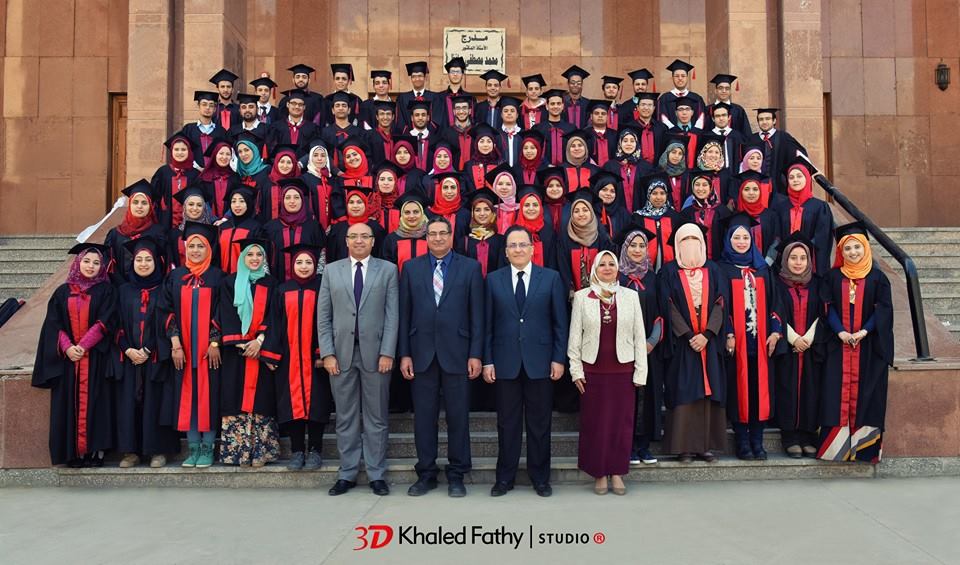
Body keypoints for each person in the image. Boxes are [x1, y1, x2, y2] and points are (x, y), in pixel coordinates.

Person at [399, 217, 484, 497]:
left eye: (442, 233)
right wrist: (405, 354)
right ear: (426, 238)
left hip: (458, 353)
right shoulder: (411, 268)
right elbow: (404, 314)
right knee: (424, 419)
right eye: (432, 234)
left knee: (458, 417)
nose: (437, 238)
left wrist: (475, 354)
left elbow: (477, 315)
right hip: (421, 354)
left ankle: (457, 473)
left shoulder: (470, 267)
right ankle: (426, 473)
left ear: (451, 236)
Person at [483, 226, 569, 497]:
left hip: (540, 362)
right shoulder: (493, 280)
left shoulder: (551, 278)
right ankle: (504, 478)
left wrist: (558, 358)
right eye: (513, 245)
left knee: (540, 424)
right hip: (505, 362)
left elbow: (560, 324)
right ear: (506, 252)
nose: (518, 249)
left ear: (532, 249)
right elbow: (487, 325)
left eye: (523, 244)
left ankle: (540, 478)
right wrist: (487, 360)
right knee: (507, 424)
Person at [318, 222, 399, 496]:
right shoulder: (331, 271)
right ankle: (347, 473)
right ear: (346, 241)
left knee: (377, 417)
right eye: (354, 236)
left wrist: (387, 352)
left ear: (373, 241)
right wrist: (327, 353)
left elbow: (392, 316)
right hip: (340, 356)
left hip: (376, 356)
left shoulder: (387, 270)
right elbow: (323, 317)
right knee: (345, 417)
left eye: (365, 236)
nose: (359, 241)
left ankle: (376, 474)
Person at [568, 250, 648, 495]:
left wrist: (640, 372)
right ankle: (599, 473)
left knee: (620, 425)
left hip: (623, 370)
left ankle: (617, 473)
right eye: (602, 264)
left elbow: (639, 336)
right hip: (592, 371)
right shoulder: (583, 297)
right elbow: (575, 337)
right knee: (596, 425)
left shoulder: (630, 296)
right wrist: (576, 371)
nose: (607, 268)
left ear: (618, 268)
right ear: (595, 269)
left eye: (611, 264)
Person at [32, 242, 116, 467]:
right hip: (68, 361)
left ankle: (94, 452)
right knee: (68, 406)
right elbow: (53, 325)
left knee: (97, 404)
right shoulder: (62, 292)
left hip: (95, 358)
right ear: (78, 263)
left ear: (102, 267)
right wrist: (69, 347)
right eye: (86, 261)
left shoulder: (107, 291)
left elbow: (106, 321)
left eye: (96, 263)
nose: (91, 266)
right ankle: (72, 453)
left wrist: (84, 346)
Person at [818, 222, 893, 463]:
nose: (853, 252)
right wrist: (840, 331)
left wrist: (863, 332)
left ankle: (864, 450)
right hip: (837, 346)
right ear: (841, 251)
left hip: (868, 347)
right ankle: (835, 449)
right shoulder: (832, 277)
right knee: (834, 395)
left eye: (857, 247)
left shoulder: (878, 279)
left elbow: (883, 311)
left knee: (867, 397)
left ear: (866, 248)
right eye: (847, 248)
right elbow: (827, 307)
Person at [717, 214, 784, 460]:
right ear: (728, 240)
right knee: (739, 393)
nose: (741, 242)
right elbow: (720, 304)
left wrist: (775, 332)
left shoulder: (762, 269)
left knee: (759, 392)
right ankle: (742, 443)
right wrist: (729, 333)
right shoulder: (722, 269)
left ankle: (758, 441)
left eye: (745, 237)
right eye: (737, 238)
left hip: (762, 342)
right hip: (737, 344)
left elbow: (776, 303)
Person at [159, 222, 225, 469]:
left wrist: (215, 341)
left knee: (209, 397)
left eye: (201, 246)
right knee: (189, 397)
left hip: (209, 351)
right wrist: (175, 344)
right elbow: (165, 311)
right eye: (192, 246)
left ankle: (208, 447)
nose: (196, 250)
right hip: (184, 350)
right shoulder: (176, 277)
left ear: (209, 249)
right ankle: (193, 447)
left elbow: (222, 311)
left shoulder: (218, 277)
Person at [261, 244, 333, 471]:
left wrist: (323, 352)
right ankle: (297, 451)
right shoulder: (282, 290)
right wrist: (272, 354)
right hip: (289, 359)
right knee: (292, 407)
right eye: (299, 262)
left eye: (308, 262)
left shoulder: (322, 289)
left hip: (315, 361)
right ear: (292, 265)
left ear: (316, 265)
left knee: (317, 405)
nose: (304, 266)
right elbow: (274, 323)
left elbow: (328, 321)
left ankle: (315, 450)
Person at [660, 223, 727, 462]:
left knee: (707, 393)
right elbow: (668, 306)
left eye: (694, 239)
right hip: (683, 343)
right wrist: (689, 335)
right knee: (685, 391)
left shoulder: (714, 269)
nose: (690, 244)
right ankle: (684, 447)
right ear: (677, 245)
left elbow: (721, 302)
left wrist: (707, 334)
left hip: (709, 342)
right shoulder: (668, 271)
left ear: (702, 243)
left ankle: (704, 446)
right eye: (685, 240)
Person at [112, 236, 180, 468]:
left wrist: (148, 348)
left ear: (156, 262)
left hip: (156, 357)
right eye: (139, 259)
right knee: (129, 404)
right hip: (129, 358)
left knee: (156, 403)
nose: (143, 264)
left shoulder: (164, 289)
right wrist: (128, 349)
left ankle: (157, 451)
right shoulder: (123, 291)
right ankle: (130, 452)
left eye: (148, 260)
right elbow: (115, 323)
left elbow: (168, 322)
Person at [218, 239, 279, 467]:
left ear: (264, 259)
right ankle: (239, 453)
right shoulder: (229, 282)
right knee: (235, 398)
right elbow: (226, 313)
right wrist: (244, 343)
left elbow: (274, 315)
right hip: (237, 353)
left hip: (261, 351)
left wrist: (260, 340)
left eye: (259, 255)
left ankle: (261, 452)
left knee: (261, 399)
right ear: (242, 257)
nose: (254, 258)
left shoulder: (271, 283)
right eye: (250, 254)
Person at [615, 225, 665, 465]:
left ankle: (644, 446)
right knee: (625, 397)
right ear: (625, 248)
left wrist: (651, 342)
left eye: (642, 245)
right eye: (632, 245)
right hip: (621, 348)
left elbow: (661, 314)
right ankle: (627, 446)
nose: (637, 249)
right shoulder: (616, 277)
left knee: (647, 396)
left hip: (647, 349)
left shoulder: (654, 278)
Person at [773, 234, 826, 458]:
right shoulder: (776, 283)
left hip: (811, 348)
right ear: (785, 259)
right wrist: (794, 338)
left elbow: (824, 314)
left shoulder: (819, 284)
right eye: (793, 258)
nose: (798, 262)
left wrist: (809, 338)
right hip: (788, 348)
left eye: (803, 258)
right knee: (787, 390)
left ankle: (808, 436)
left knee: (811, 391)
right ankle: (790, 437)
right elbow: (773, 311)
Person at [777, 158, 834, 275]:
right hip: (785, 264)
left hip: (811, 265)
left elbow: (822, 239)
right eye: (791, 177)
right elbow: (776, 236)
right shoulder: (781, 207)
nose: (795, 180)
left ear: (807, 178)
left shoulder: (820, 207)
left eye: (799, 176)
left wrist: (802, 253)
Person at [261, 179, 326, 281]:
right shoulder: (270, 228)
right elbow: (264, 259)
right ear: (282, 201)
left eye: (296, 197)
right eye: (287, 197)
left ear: (302, 200)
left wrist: (317, 282)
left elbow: (321, 257)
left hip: (308, 286)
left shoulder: (314, 228)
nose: (292, 201)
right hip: (277, 285)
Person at [105, 179, 166, 284]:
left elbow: (163, 263)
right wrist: (123, 287)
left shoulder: (158, 233)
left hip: (152, 287)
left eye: (144, 203)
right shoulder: (115, 234)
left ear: (151, 206)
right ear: (130, 205)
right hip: (121, 288)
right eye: (135, 202)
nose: (139, 206)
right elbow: (110, 264)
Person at [555, 190, 616, 296]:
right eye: (576, 211)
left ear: (591, 212)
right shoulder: (564, 237)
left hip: (600, 294)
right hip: (573, 296)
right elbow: (563, 269)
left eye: (585, 210)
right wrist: (571, 291)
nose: (581, 214)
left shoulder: (601, 236)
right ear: (571, 214)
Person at [750, 107, 808, 195]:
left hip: (779, 186)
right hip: (757, 186)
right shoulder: (751, 139)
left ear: (774, 121)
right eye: (761, 119)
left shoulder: (784, 137)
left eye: (767, 119)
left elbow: (799, 155)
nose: (764, 122)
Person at [455, 187, 506, 280]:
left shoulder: (502, 241)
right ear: (472, 214)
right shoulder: (464, 242)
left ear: (493, 213)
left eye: (486, 209)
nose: (482, 213)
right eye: (477, 210)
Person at [679, 169, 731, 260]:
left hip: (718, 261)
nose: (700, 189)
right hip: (693, 260)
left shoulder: (723, 211)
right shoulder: (686, 213)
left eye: (704, 185)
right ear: (692, 187)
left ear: (711, 187)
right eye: (697, 185)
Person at [634, 172, 681, 271]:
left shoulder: (674, 216)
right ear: (648, 195)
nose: (658, 197)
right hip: (645, 269)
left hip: (670, 269)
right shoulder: (638, 217)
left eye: (662, 193)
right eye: (654, 193)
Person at [153, 133, 200, 230]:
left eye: (183, 149)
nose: (180, 152)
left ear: (189, 151)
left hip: (190, 223)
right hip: (165, 222)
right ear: (171, 151)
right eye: (176, 149)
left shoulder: (195, 174)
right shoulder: (163, 172)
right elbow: (154, 197)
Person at [326, 187, 386, 263]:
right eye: (351, 202)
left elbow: (381, 256)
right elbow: (331, 257)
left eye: (359, 202)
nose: (355, 206)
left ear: (365, 204)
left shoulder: (376, 228)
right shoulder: (337, 229)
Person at [216, 185, 262, 276]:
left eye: (242, 201)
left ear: (248, 203)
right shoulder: (223, 227)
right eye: (233, 201)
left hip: (246, 277)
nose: (237, 205)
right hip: (223, 277)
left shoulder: (255, 228)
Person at [381, 192, 430, 274]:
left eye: (416, 212)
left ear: (422, 213)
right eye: (407, 212)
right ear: (402, 214)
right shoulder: (391, 240)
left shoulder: (430, 237)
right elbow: (387, 271)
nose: (411, 216)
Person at [512, 186, 556, 269]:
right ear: (521, 207)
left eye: (535, 205)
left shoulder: (548, 231)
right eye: (527, 205)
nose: (531, 209)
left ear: (541, 208)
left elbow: (552, 262)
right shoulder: (512, 232)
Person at [259, 144, 303, 223]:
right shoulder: (267, 183)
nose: (285, 166)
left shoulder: (300, 183)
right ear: (276, 162)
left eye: (289, 162)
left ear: (294, 164)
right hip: (269, 227)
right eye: (282, 162)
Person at [199, 140, 240, 218]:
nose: (224, 157)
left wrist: (226, 218)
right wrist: (213, 219)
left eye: (228, 154)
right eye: (221, 153)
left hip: (229, 221)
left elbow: (238, 200)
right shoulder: (204, 177)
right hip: (208, 221)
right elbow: (202, 200)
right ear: (215, 155)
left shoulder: (235, 178)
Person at [535, 89, 576, 166]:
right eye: (552, 104)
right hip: (544, 169)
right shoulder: (538, 129)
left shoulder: (571, 129)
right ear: (547, 106)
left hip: (566, 169)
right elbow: (536, 151)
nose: (556, 106)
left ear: (563, 106)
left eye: (558, 103)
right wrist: (547, 165)